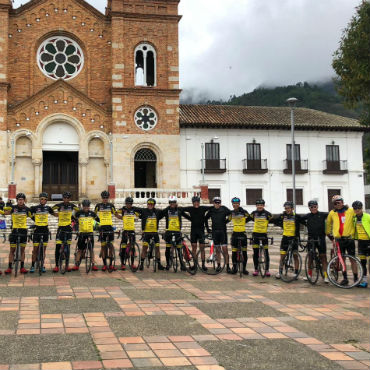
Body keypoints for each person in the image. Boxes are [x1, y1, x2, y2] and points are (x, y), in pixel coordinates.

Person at [326, 195, 358, 286]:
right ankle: (345, 278)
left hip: (349, 239)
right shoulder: (332, 213)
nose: (337, 204)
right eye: (335, 203)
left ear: (342, 202)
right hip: (339, 240)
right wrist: (329, 234)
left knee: (353, 259)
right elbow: (328, 224)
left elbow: (359, 216)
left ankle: (356, 278)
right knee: (341, 259)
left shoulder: (351, 211)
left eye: (339, 202)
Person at [2, 193, 32, 274]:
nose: (20, 201)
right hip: (14, 231)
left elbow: (34, 217)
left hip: (23, 231)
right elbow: (5, 212)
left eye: (22, 199)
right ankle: (9, 267)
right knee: (12, 250)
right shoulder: (13, 208)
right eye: (19, 200)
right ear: (17, 200)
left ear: (24, 200)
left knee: (22, 250)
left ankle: (22, 267)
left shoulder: (27, 209)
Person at [301, 200, 329, 283]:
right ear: (309, 208)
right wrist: (306, 224)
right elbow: (299, 219)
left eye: (315, 207)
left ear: (317, 207)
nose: (313, 208)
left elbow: (333, 213)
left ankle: (326, 276)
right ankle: (309, 274)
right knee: (310, 256)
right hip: (311, 238)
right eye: (311, 207)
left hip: (321, 238)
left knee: (323, 256)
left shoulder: (323, 214)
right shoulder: (308, 216)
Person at [273, 201, 303, 279]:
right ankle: (280, 272)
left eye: (289, 208)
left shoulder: (297, 216)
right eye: (286, 208)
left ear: (292, 208)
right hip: (285, 238)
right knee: (282, 256)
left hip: (294, 238)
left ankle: (296, 273)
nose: (287, 210)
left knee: (295, 256)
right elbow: (275, 220)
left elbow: (305, 222)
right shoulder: (283, 216)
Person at [160, 196, 190, 271]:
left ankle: (182, 265)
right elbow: (158, 216)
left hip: (177, 232)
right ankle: (167, 264)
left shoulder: (179, 210)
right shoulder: (166, 210)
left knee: (179, 248)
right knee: (167, 248)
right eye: (171, 202)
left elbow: (187, 216)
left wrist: (195, 220)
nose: (172, 204)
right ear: (169, 203)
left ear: (176, 203)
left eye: (173, 202)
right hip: (169, 232)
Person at [52, 192, 79, 273]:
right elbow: (50, 210)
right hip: (60, 228)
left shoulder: (72, 206)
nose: (66, 199)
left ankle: (67, 265)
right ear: (63, 198)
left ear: (70, 199)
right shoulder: (59, 205)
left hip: (68, 228)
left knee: (68, 248)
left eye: (68, 198)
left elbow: (79, 211)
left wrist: (74, 217)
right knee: (57, 247)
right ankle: (56, 266)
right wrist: (56, 215)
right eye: (65, 198)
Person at [181, 196, 211, 271]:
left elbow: (212, 208)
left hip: (201, 231)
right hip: (193, 231)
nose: (196, 203)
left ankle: (203, 265)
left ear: (199, 202)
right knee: (194, 248)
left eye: (197, 202)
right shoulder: (190, 208)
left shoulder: (203, 208)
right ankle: (195, 265)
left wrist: (206, 220)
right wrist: (189, 218)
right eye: (195, 202)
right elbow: (181, 210)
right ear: (193, 203)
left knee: (202, 248)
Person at [29, 192, 55, 273]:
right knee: (35, 249)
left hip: (45, 230)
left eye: (45, 199)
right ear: (39, 199)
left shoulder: (48, 208)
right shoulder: (35, 208)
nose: (43, 200)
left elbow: (55, 214)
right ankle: (32, 265)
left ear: (47, 200)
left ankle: (42, 264)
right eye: (42, 199)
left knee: (43, 250)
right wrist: (34, 219)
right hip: (37, 230)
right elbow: (28, 213)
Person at [205, 196, 232, 273]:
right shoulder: (211, 210)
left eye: (219, 202)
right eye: (216, 202)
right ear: (213, 203)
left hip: (223, 232)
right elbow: (205, 219)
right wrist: (207, 228)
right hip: (215, 232)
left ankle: (227, 266)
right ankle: (219, 265)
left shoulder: (224, 208)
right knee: (217, 250)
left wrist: (226, 222)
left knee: (225, 250)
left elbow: (230, 214)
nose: (217, 204)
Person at [137, 198, 165, 270]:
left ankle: (159, 264)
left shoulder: (157, 211)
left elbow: (165, 212)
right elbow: (136, 209)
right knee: (144, 248)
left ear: (154, 205)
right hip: (146, 233)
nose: (150, 205)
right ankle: (142, 264)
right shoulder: (144, 211)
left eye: (151, 204)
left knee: (157, 248)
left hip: (155, 233)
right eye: (148, 204)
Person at [72, 199, 99, 271]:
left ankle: (93, 264)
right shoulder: (79, 213)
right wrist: (76, 226)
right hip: (82, 234)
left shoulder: (92, 213)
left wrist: (99, 228)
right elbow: (73, 219)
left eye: (87, 206)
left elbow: (98, 220)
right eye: (85, 206)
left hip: (90, 233)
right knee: (80, 250)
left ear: (89, 206)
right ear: (83, 206)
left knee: (91, 250)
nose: (86, 208)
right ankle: (77, 264)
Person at [94, 190, 117, 271]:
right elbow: (94, 215)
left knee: (110, 247)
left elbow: (116, 214)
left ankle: (110, 264)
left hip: (109, 227)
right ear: (101, 198)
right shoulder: (98, 205)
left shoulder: (111, 205)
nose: (105, 199)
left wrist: (124, 216)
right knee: (103, 246)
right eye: (104, 198)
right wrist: (99, 220)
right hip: (102, 227)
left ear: (108, 198)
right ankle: (104, 264)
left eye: (106, 198)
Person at [249, 199, 273, 277]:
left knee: (266, 252)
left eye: (261, 205)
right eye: (258, 205)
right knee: (255, 253)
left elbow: (272, 220)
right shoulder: (253, 213)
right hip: (255, 234)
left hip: (264, 234)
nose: (260, 206)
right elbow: (250, 219)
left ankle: (267, 270)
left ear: (263, 205)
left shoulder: (268, 214)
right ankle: (256, 269)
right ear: (256, 206)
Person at [116, 197, 140, 271]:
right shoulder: (123, 209)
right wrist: (121, 217)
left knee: (132, 248)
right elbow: (115, 212)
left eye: (130, 203)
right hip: (125, 231)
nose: (129, 205)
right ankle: (123, 264)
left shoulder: (134, 210)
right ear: (125, 203)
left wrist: (135, 219)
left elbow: (138, 215)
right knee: (123, 247)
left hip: (132, 230)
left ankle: (132, 264)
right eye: (127, 203)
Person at [228, 197, 250, 274]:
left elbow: (250, 217)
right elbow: (227, 220)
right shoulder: (231, 213)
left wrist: (244, 222)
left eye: (237, 203)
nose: (235, 205)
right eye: (234, 204)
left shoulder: (244, 212)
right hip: (235, 233)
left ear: (239, 204)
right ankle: (234, 268)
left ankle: (244, 269)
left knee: (244, 252)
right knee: (234, 252)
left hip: (242, 233)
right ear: (232, 204)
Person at [352, 200, 370, 288]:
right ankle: (364, 281)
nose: (357, 210)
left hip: (369, 241)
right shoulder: (354, 218)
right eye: (355, 208)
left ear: (362, 208)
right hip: (360, 242)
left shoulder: (367, 216)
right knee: (363, 262)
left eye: (359, 208)